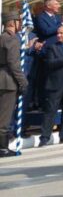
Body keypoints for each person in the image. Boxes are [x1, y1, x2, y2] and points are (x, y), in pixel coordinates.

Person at [0, 11, 29, 157]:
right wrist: (23, 82)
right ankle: (2, 148)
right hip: (8, 81)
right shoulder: (12, 39)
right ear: (12, 22)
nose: (21, 24)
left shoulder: (2, 37)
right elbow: (14, 64)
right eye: (19, 21)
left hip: (2, 79)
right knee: (4, 117)